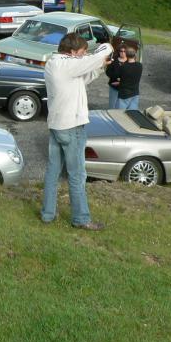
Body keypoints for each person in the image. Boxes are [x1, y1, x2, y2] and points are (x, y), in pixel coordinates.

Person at [42, 33, 113, 230]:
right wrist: (108, 46)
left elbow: (82, 78)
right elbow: (97, 56)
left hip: (56, 125)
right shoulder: (66, 64)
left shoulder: (55, 64)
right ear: (72, 52)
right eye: (81, 53)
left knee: (52, 172)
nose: (83, 56)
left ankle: (48, 214)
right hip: (72, 127)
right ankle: (81, 219)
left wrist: (101, 66)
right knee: (77, 175)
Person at [105, 44, 128, 108]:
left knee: (122, 107)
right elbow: (108, 72)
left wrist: (122, 80)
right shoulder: (113, 60)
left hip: (125, 89)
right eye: (121, 51)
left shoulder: (129, 62)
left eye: (124, 51)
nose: (123, 53)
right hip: (114, 87)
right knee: (112, 105)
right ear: (119, 52)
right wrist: (116, 78)